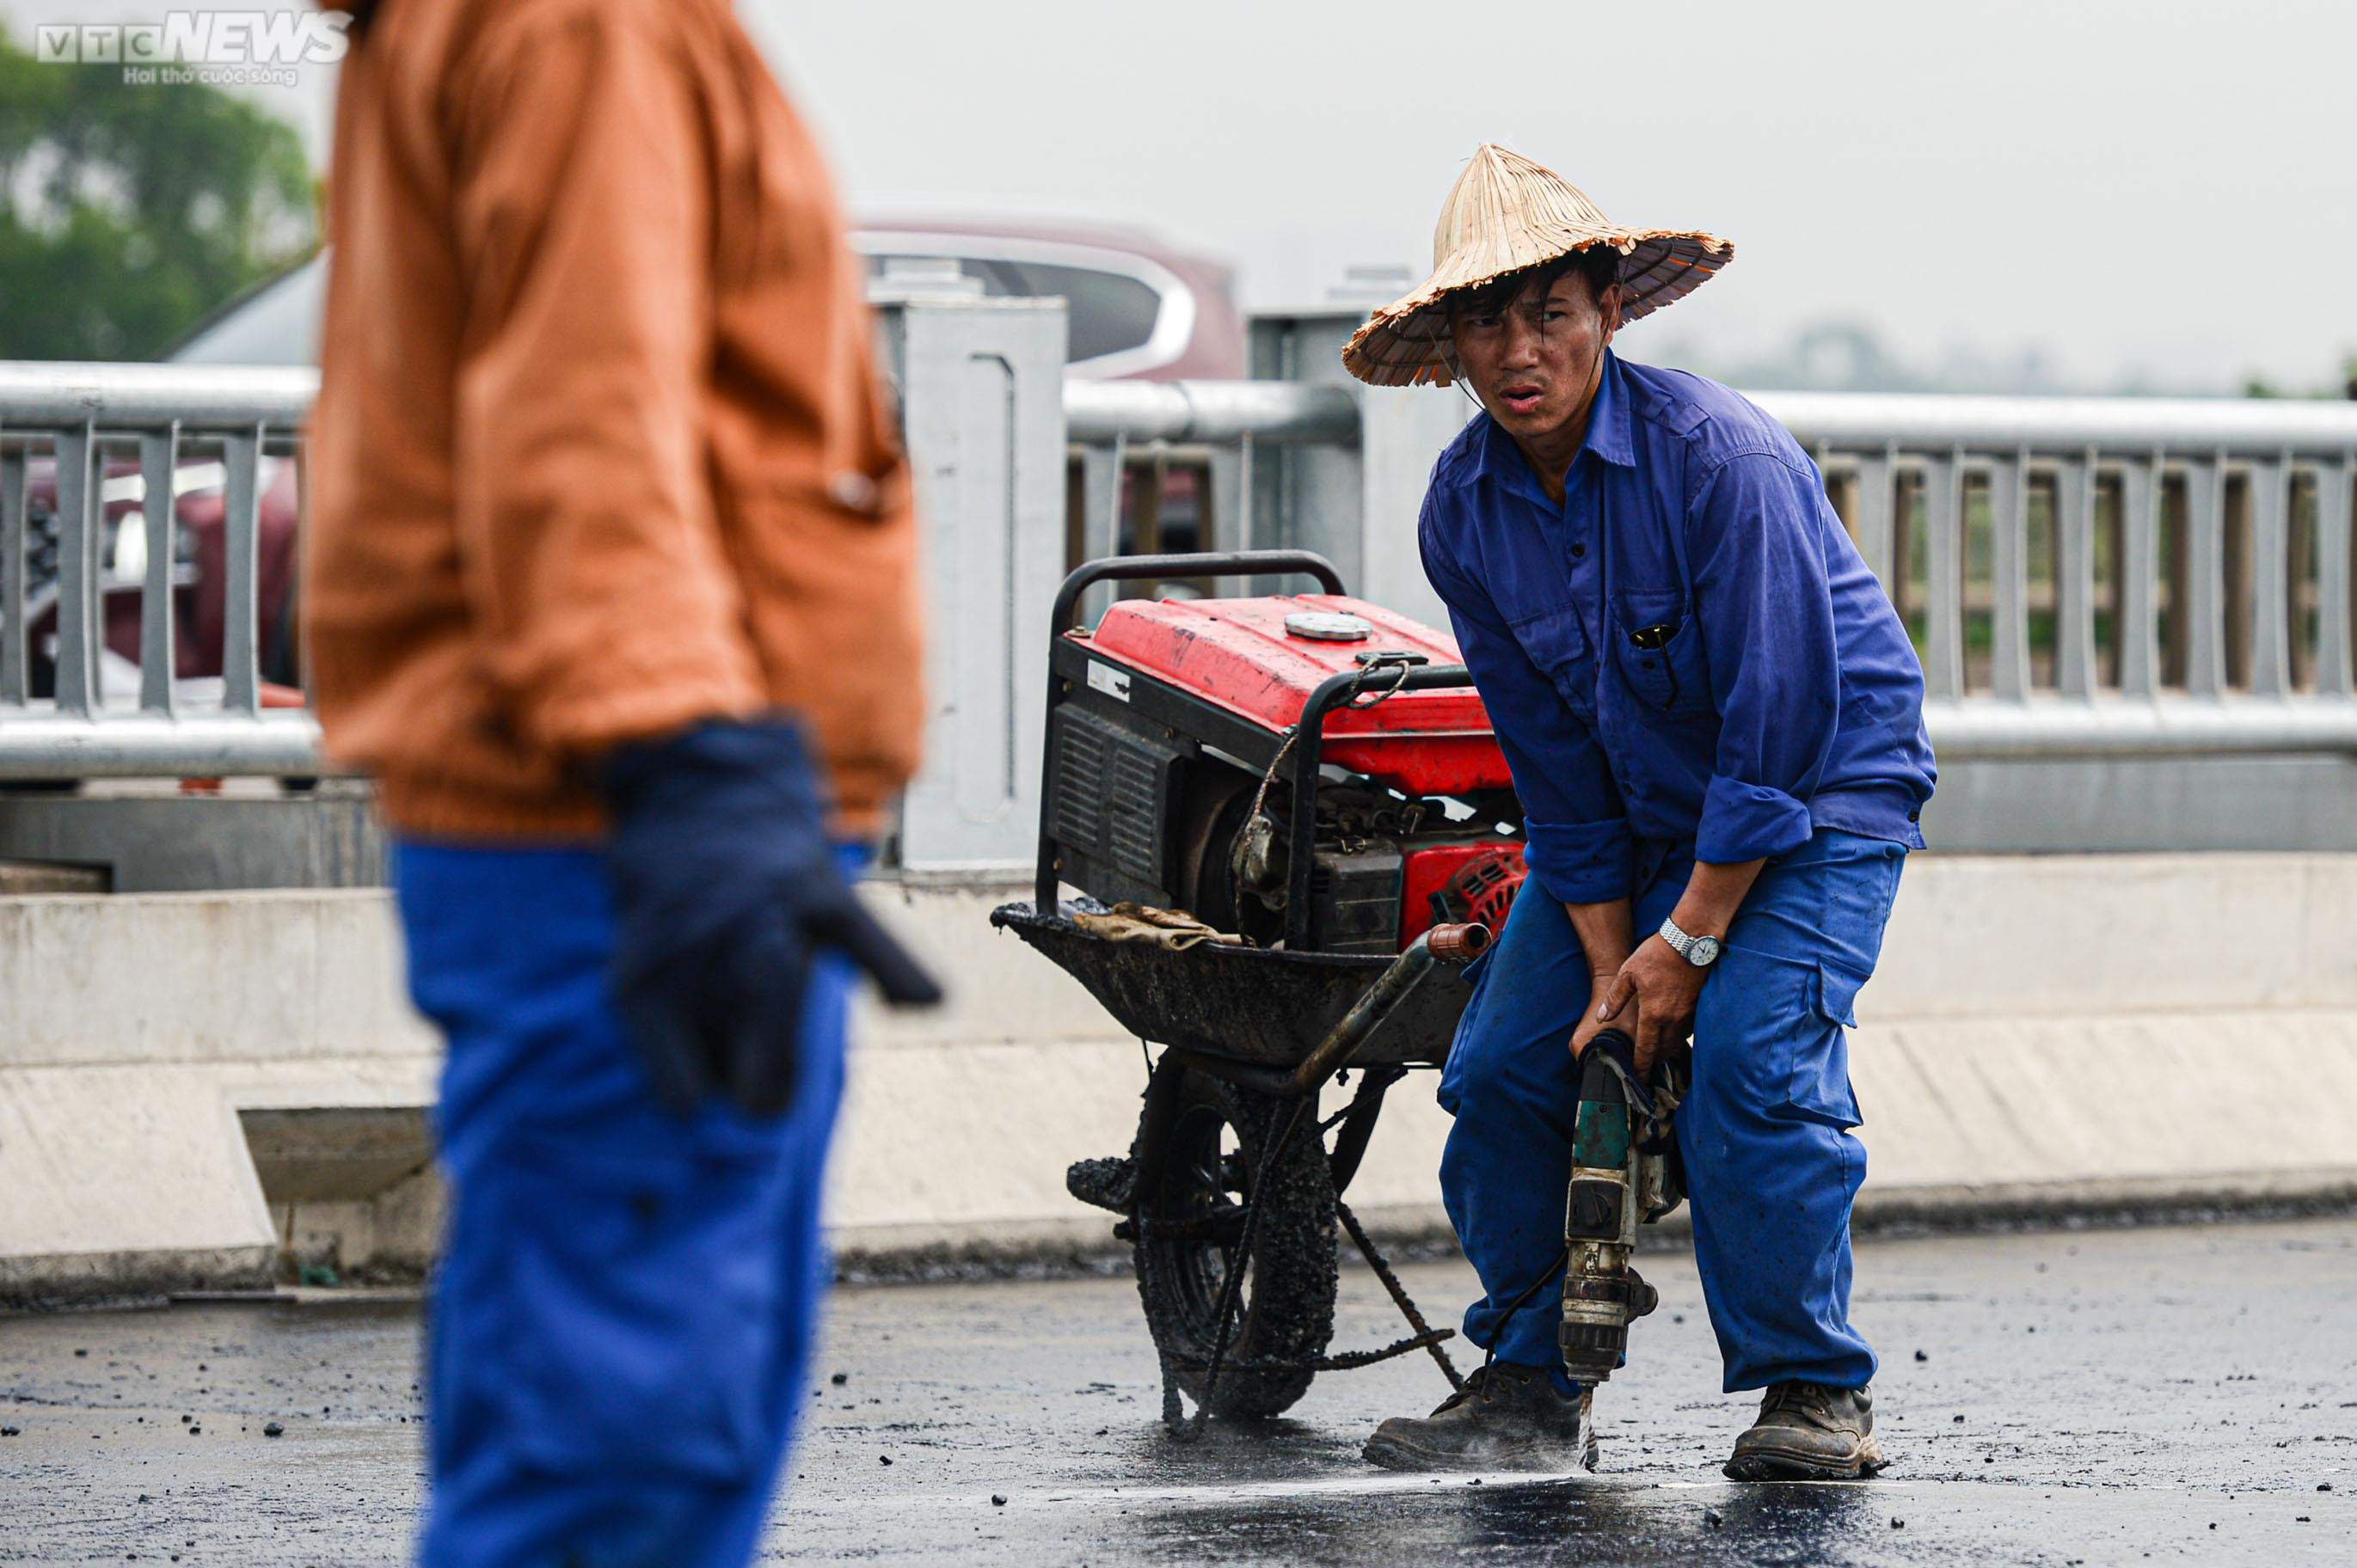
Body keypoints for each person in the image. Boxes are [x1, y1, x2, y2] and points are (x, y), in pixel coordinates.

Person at [304, 1, 935, 1562]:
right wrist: (686, 748)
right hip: (625, 816)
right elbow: (581, 409)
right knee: (628, 1441)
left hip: (603, 807)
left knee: (611, 1406)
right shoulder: (586, 17)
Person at [1345, 145, 1936, 1480]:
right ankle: (1527, 1379)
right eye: (1485, 323)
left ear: (1606, 313)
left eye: (1548, 313)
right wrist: (1614, 965)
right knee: (1508, 1064)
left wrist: (1690, 945)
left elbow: (1779, 722)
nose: (1519, 351)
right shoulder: (1464, 510)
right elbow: (1551, 761)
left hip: (1814, 803)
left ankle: (1811, 1388)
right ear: (1449, 348)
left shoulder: (1716, 459)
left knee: (1742, 1065)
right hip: (1632, 819)